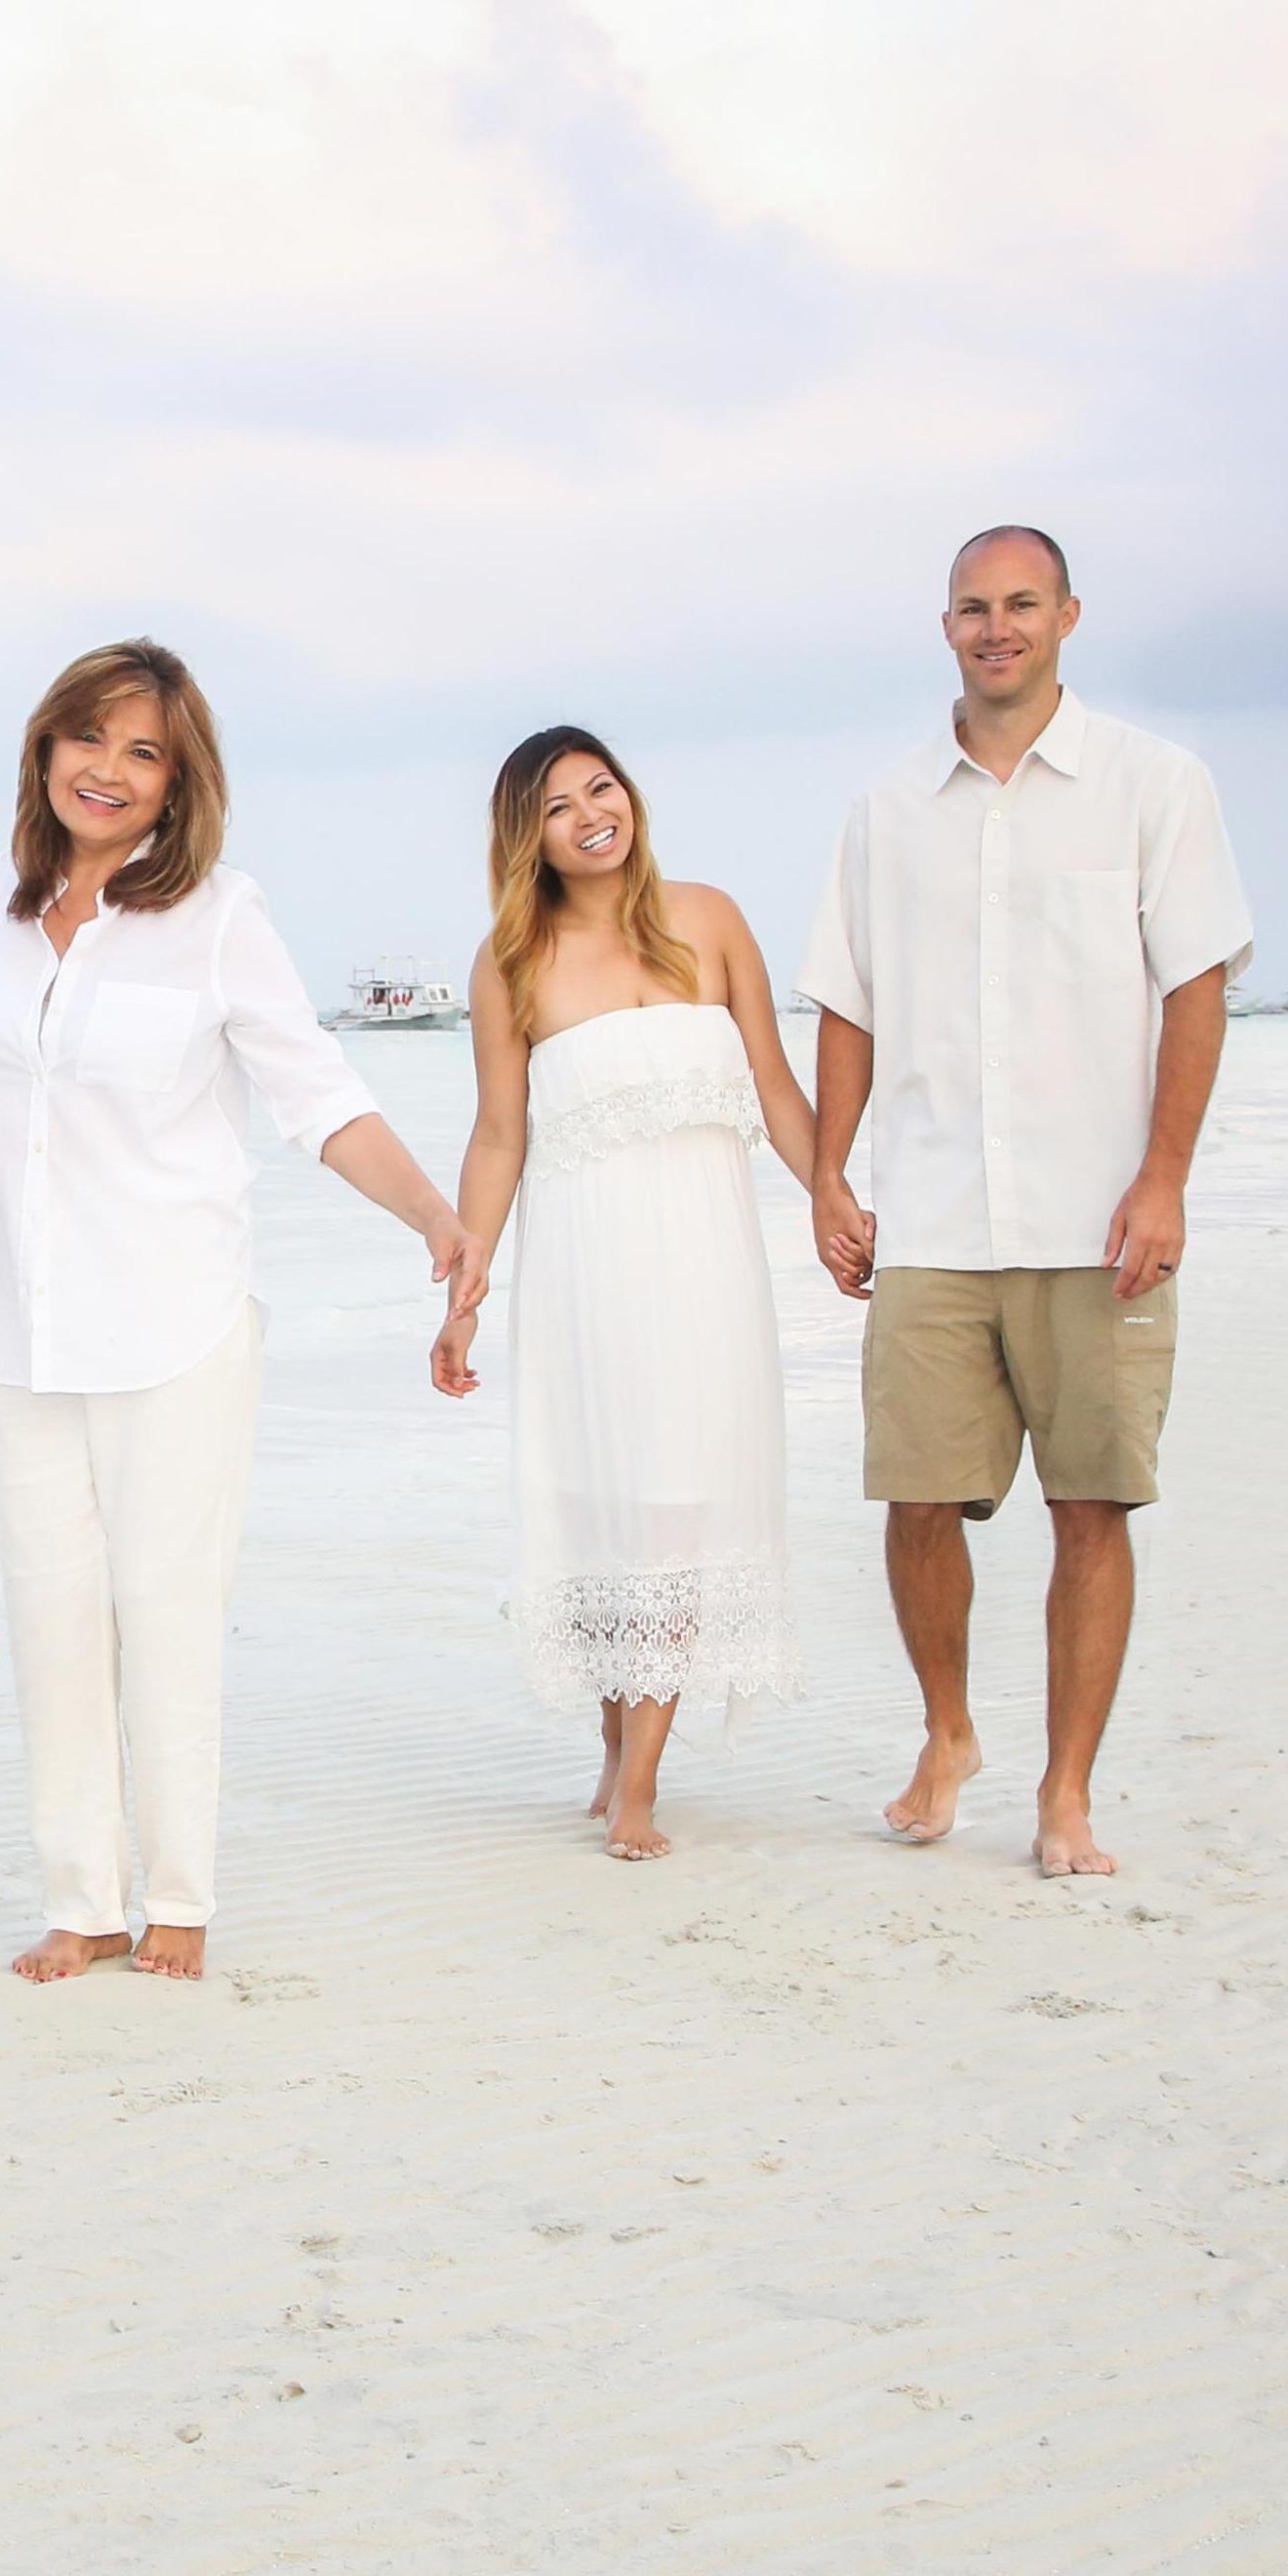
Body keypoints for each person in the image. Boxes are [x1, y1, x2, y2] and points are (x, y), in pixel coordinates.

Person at [0, 637, 471, 1983]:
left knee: (164, 1606)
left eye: (143, 751)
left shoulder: (217, 915)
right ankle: (79, 1901)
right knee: (56, 1613)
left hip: (175, 1323)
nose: (109, 769)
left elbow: (318, 1096)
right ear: (43, 747)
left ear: (176, 780)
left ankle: (180, 1899)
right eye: (89, 738)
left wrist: (433, 1216)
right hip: (21, 1330)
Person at [803, 528, 1251, 1879]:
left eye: (1018, 604)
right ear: (942, 626)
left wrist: (1163, 1176)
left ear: (1064, 615)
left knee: (1089, 1507)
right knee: (916, 1498)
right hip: (931, 1215)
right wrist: (830, 1171)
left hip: (1093, 1215)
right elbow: (846, 1001)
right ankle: (947, 1733)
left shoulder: (1152, 783)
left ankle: (1065, 1792)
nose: (994, 627)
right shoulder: (887, 809)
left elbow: (1194, 986)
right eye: (969, 608)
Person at [429, 728, 816, 1860]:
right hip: (589, 1279)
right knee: (612, 1510)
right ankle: (617, 1753)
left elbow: (781, 1093)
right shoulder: (511, 961)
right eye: (557, 806)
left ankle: (639, 1782)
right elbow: (500, 1137)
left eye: (601, 788)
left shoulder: (710, 919)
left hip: (708, 1271)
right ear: (527, 838)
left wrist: (836, 1199)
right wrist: (465, 1287)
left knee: (683, 1505)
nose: (591, 813)